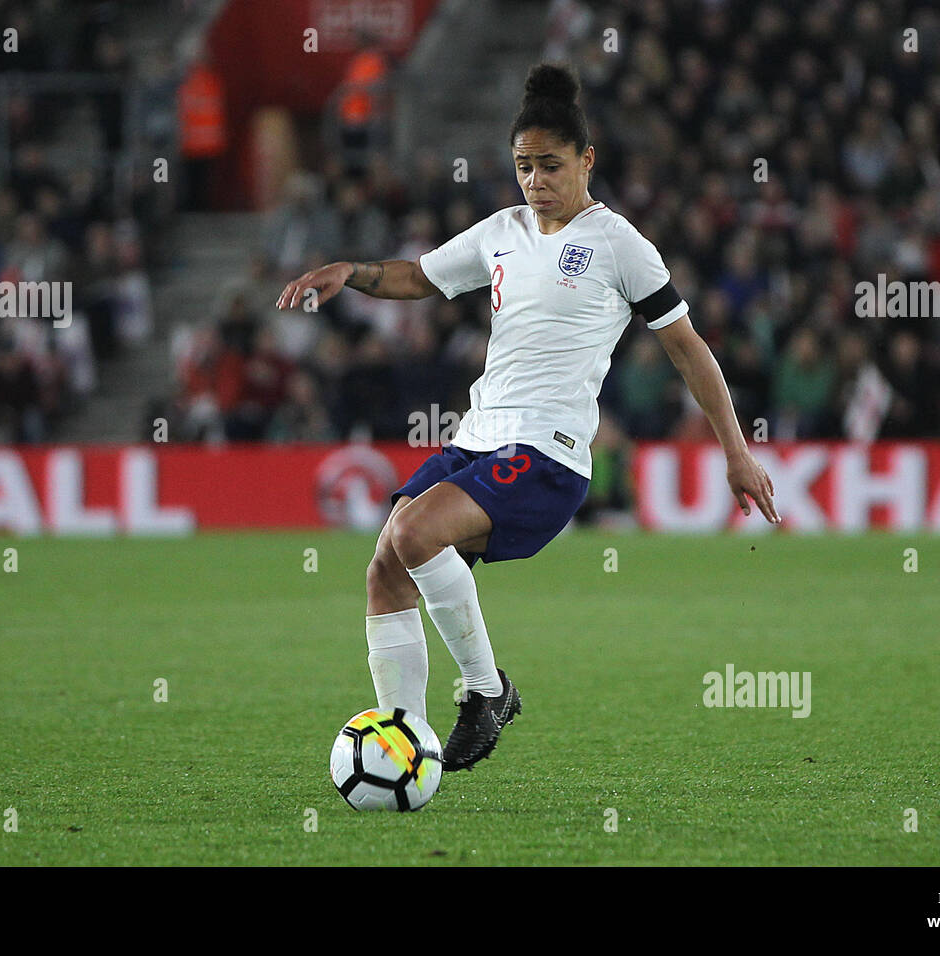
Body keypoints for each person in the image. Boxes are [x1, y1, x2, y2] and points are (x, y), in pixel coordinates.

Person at [276, 64, 779, 773]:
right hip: (476, 438)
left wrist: (736, 452)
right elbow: (420, 276)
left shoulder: (619, 244)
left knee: (415, 533)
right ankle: (404, 750)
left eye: (550, 165)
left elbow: (688, 350)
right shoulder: (502, 231)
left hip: (549, 454)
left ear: (586, 161)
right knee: (385, 565)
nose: (536, 180)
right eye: (523, 166)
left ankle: (487, 692)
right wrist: (346, 271)